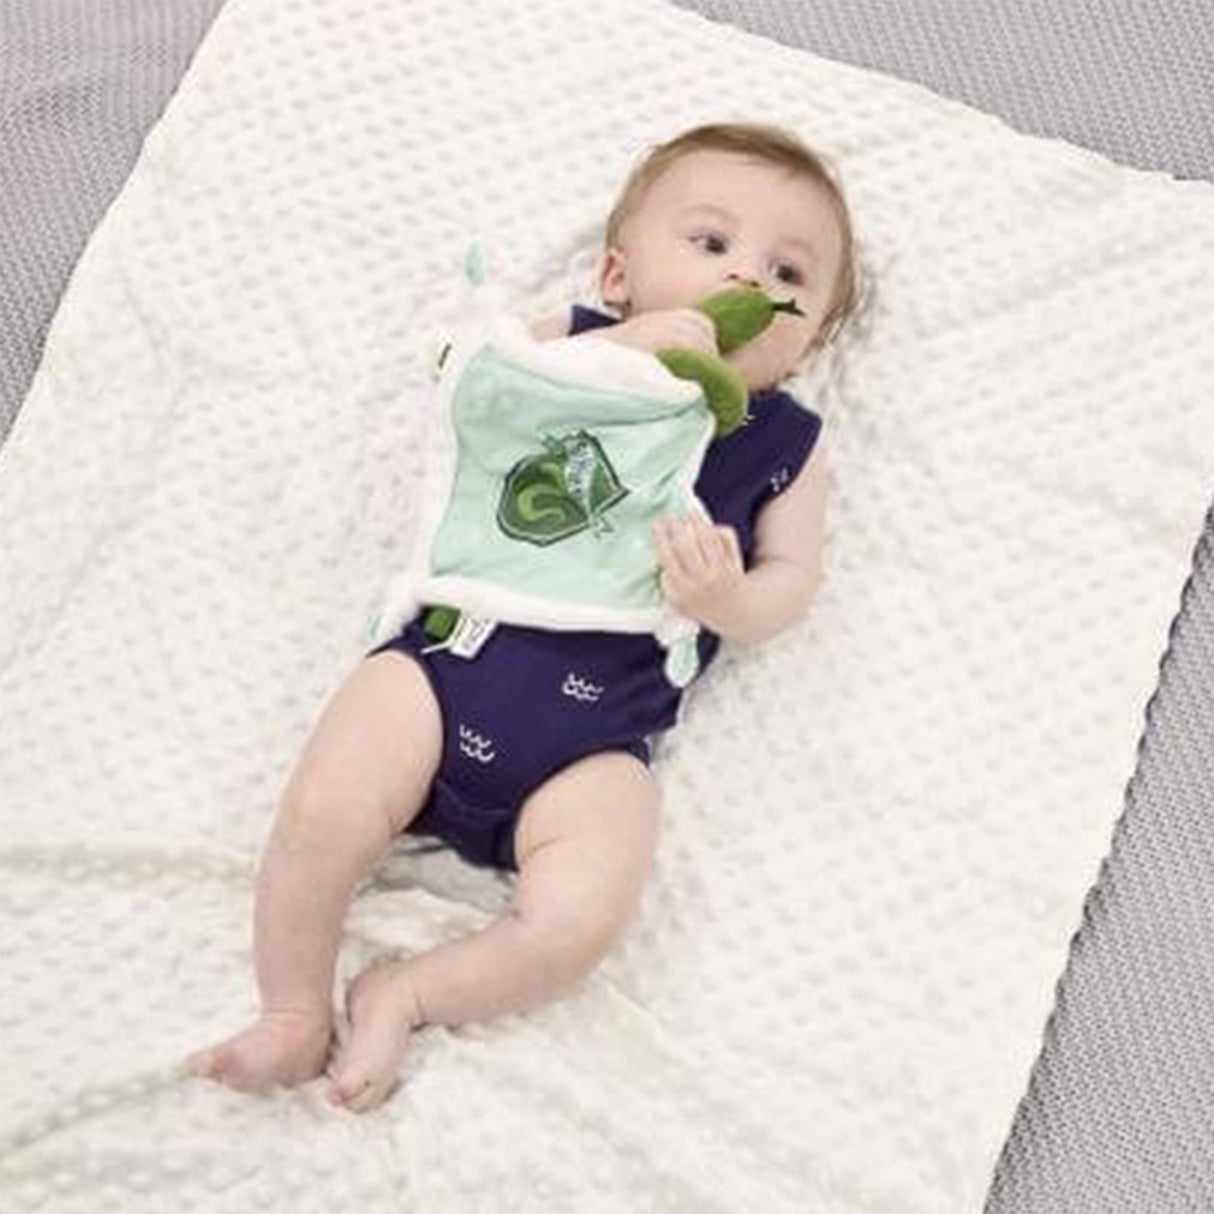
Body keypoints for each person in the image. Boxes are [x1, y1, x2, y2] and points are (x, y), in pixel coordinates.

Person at [185, 121, 859, 1113]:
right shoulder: (574, 344)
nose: (748, 278)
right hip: (451, 657)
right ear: (618, 274)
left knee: (581, 915)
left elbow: (790, 582)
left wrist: (726, 598)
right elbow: (465, 382)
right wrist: (622, 352)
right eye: (710, 244)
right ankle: (291, 1010)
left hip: (592, 742)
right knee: (322, 810)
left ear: (809, 340)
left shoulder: (782, 443)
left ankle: (406, 992)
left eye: (788, 272)